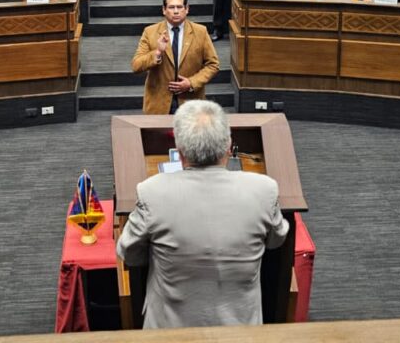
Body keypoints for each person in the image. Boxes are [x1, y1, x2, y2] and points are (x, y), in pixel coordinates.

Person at [116, 99, 287, 327]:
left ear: (179, 151)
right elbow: (276, 240)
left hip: (169, 329)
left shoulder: (151, 192)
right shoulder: (264, 189)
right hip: (241, 329)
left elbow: (129, 253)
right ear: (229, 146)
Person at [130, 0, 220, 115]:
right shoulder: (150, 32)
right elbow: (136, 66)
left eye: (179, 7)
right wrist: (157, 52)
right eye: (171, 7)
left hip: (191, 102)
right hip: (159, 103)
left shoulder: (201, 32)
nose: (176, 11)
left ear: (187, 9)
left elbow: (213, 64)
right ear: (164, 10)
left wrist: (191, 83)